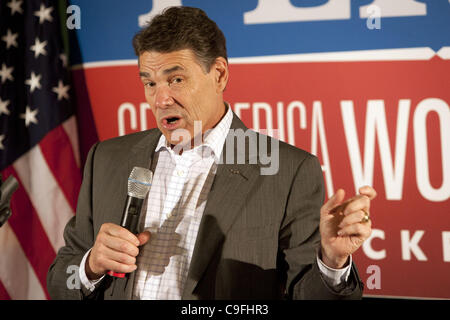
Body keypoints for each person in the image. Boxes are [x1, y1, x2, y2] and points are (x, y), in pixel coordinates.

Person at [47, 6, 376, 300]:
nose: (160, 99)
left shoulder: (287, 171)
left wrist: (332, 261)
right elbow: (60, 281)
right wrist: (90, 266)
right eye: (149, 83)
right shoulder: (107, 159)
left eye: (175, 79)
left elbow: (308, 294)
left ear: (218, 74)